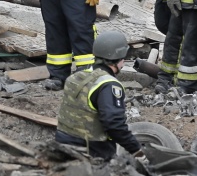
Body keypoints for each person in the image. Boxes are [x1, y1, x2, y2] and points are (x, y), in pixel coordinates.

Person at [55, 31, 145, 162]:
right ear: (118, 58)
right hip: (91, 152)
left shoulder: (76, 77)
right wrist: (137, 150)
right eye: (123, 58)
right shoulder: (109, 85)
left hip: (62, 145)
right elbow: (114, 125)